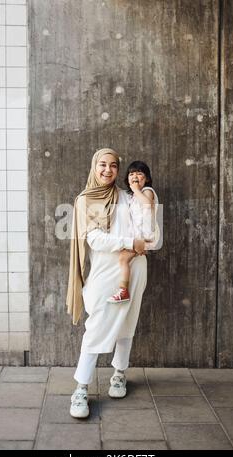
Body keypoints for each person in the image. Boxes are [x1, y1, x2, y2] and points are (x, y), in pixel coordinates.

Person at [66, 148, 147, 419]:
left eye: (114, 165)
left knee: (127, 324)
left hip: (135, 268)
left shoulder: (127, 197)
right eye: (102, 164)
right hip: (104, 273)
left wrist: (139, 244)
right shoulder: (84, 200)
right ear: (94, 166)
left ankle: (119, 374)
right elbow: (94, 239)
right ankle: (81, 388)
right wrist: (128, 243)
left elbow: (146, 233)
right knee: (97, 327)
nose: (107, 170)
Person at [107, 161, 160, 304]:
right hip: (140, 238)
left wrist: (136, 190)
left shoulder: (147, 191)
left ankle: (123, 290)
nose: (135, 176)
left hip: (146, 237)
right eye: (131, 174)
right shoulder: (132, 197)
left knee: (123, 259)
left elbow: (148, 204)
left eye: (139, 173)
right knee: (123, 258)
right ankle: (123, 290)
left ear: (147, 178)